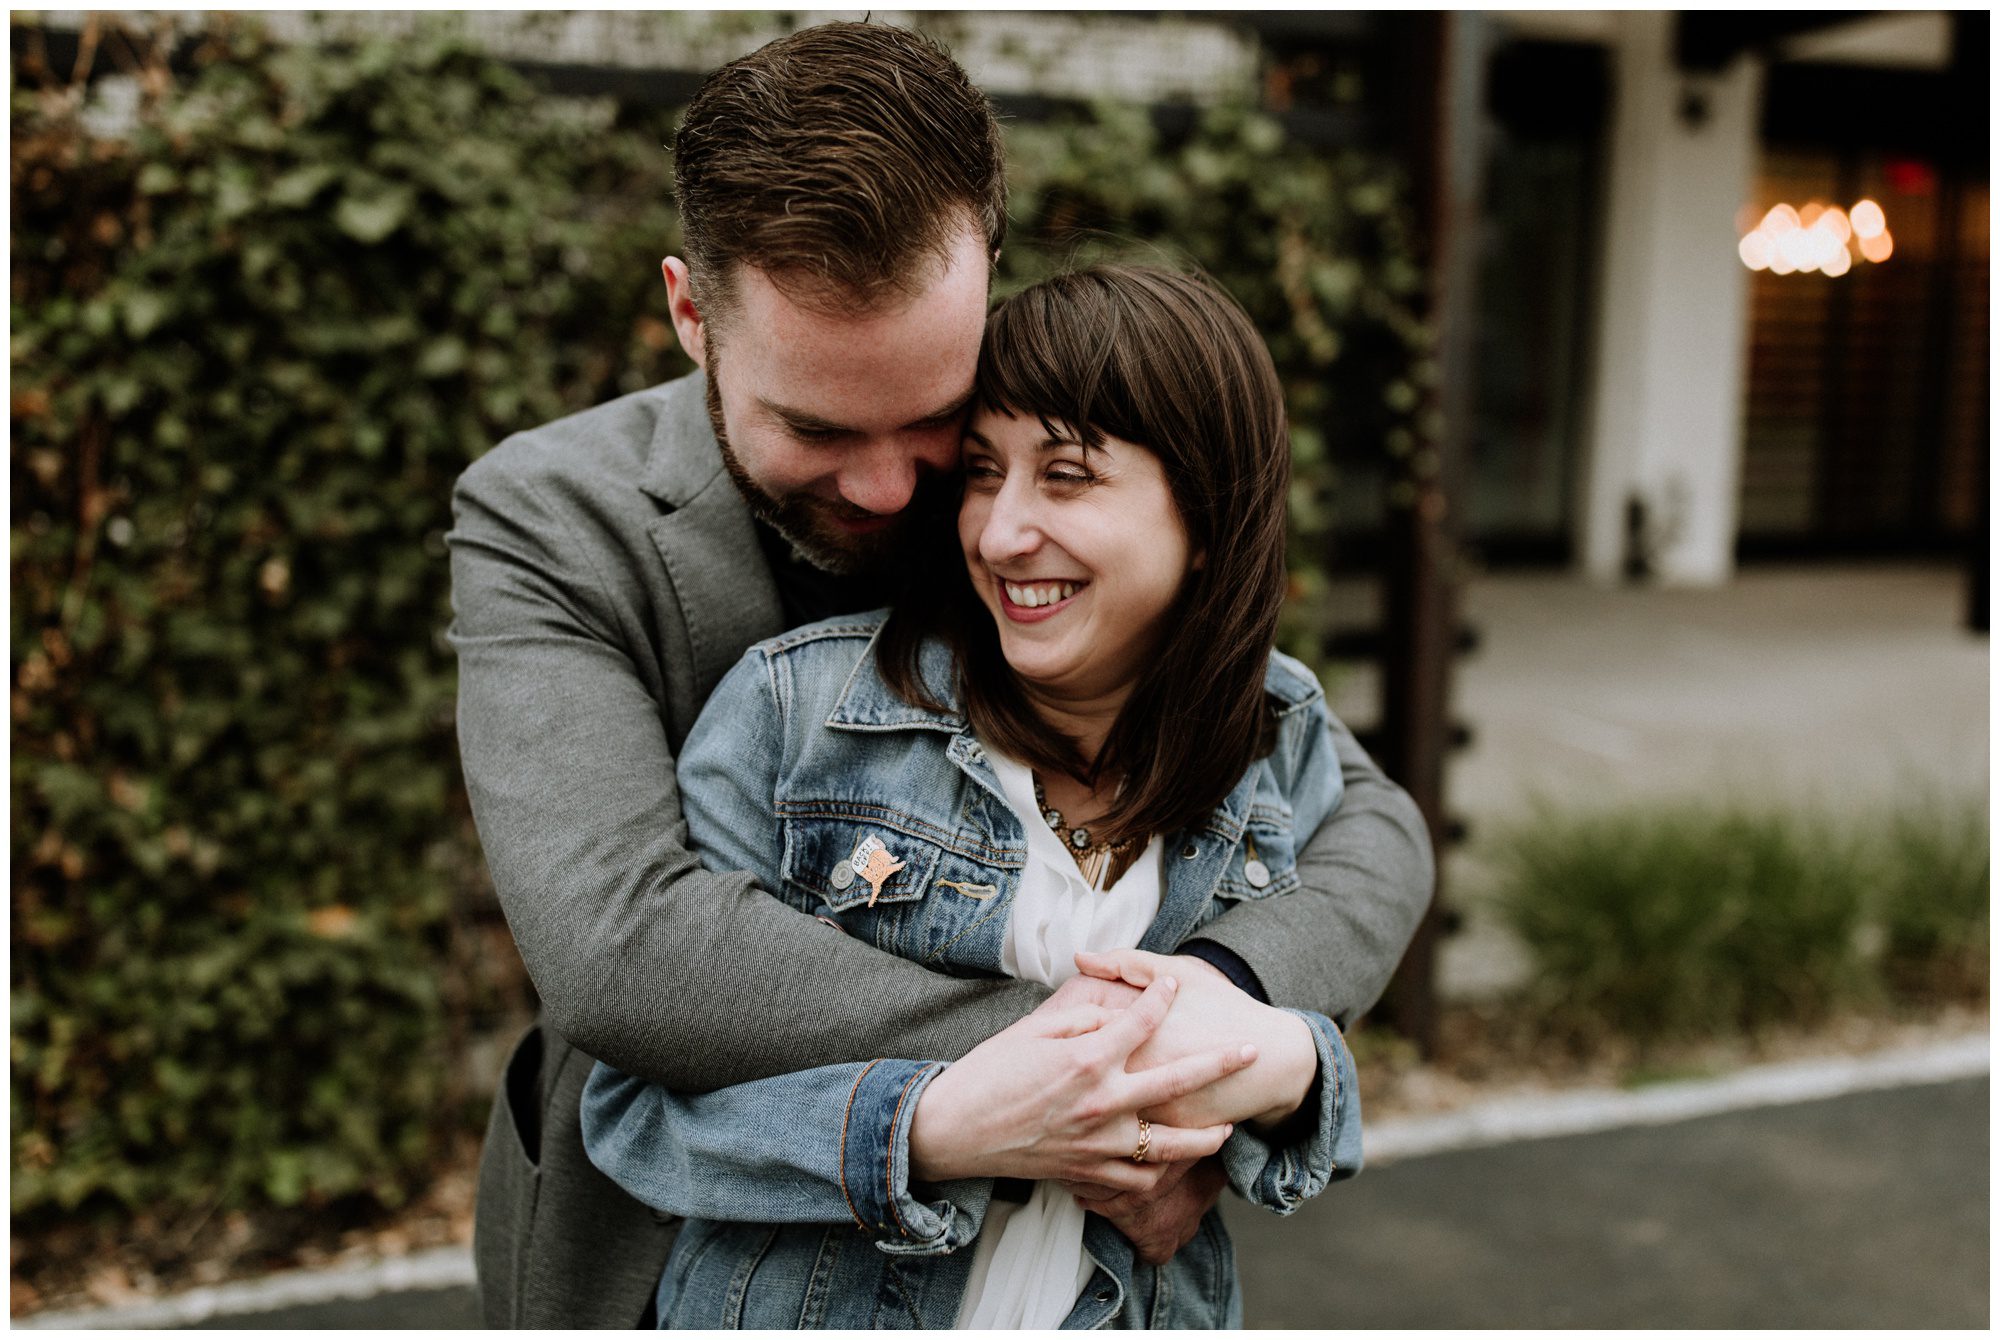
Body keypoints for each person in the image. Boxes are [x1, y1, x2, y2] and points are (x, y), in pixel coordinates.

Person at [446, 21, 1433, 1330]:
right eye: (814, 427)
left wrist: (1233, 1006)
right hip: (669, 1241)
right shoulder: (550, 514)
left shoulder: (1029, 486)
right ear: (692, 314)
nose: (888, 486)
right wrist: (1105, 1070)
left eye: (931, 416)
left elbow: (1368, 824)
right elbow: (623, 946)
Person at [581, 265, 1367, 1328]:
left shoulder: (1278, 732)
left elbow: (1312, 1026)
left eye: (1067, 475)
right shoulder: (797, 712)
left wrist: (1281, 1064)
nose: (998, 533)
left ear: (1208, 506)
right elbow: (634, 1109)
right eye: (985, 473)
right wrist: (934, 1126)